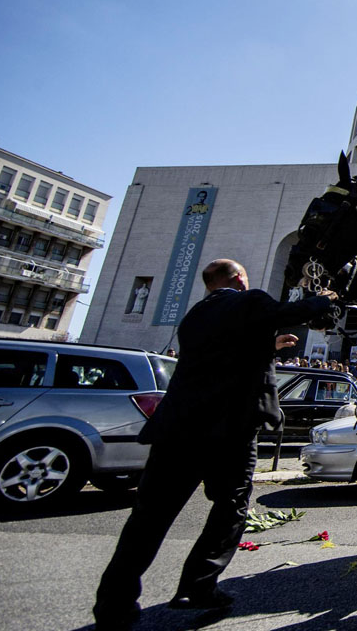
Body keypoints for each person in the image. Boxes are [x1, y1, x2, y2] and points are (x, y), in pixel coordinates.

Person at [93, 259, 336, 630]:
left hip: (177, 431)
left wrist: (267, 346)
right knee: (230, 507)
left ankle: (114, 602)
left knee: (148, 517)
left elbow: (224, 356)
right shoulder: (248, 300)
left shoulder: (194, 317)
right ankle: (198, 585)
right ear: (239, 279)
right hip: (230, 431)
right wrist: (325, 298)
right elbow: (294, 310)